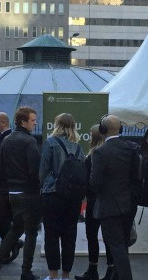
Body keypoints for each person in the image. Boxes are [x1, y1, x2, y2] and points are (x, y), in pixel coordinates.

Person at [0, 106, 42, 280]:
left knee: (16, 229)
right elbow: (35, 170)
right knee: (31, 233)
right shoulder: (29, 141)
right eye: (32, 120)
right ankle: (26, 272)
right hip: (29, 193)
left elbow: (0, 168)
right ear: (23, 121)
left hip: (12, 192)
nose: (35, 123)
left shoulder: (7, 140)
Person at [89, 114, 140, 280]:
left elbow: (95, 183)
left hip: (109, 207)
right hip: (129, 205)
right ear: (121, 129)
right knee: (122, 246)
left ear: (102, 130)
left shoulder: (100, 153)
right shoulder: (131, 148)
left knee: (117, 247)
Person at [39, 113, 86, 280]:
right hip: (73, 198)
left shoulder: (51, 143)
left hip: (52, 194)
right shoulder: (79, 147)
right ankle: (66, 275)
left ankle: (53, 275)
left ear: (57, 125)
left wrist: (42, 185)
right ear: (73, 126)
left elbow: (43, 170)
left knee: (51, 235)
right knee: (69, 236)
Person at [75, 124, 115, 280]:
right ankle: (110, 270)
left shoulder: (92, 156)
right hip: (108, 200)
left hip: (94, 201)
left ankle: (93, 270)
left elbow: (90, 181)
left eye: (91, 135)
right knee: (107, 236)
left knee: (92, 235)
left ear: (95, 137)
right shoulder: (108, 153)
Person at [0, 112, 23, 263]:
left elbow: (10, 164)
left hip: (4, 186)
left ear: (3, 122)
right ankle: (9, 246)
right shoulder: (0, 138)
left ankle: (11, 243)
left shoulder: (9, 139)